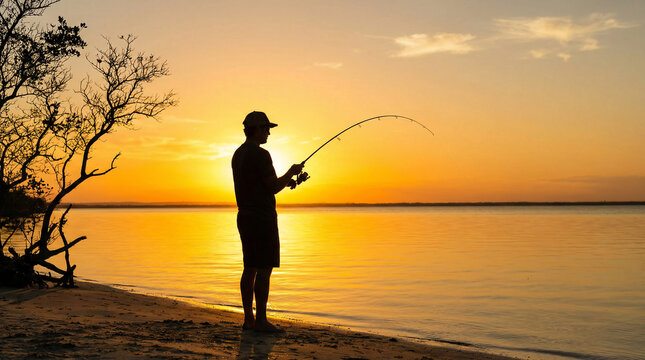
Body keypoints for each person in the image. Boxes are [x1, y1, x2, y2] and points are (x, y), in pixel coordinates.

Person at [231, 111, 304, 333]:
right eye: (266, 128)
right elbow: (272, 186)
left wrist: (287, 180)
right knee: (264, 269)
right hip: (262, 217)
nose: (269, 132)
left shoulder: (238, 154)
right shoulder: (261, 155)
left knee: (249, 267)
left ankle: (249, 321)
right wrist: (291, 172)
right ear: (257, 129)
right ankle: (261, 321)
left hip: (244, 215)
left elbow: (262, 184)